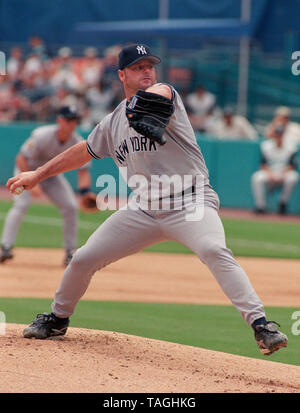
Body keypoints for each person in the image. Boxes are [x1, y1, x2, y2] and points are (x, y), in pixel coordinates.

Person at [7, 43, 288, 356]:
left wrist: (144, 103)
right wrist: (38, 174)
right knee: (83, 258)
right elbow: (83, 151)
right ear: (121, 74)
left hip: (190, 202)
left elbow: (164, 93)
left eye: (150, 66)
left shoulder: (166, 95)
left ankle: (262, 326)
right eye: (139, 67)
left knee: (213, 248)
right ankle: (58, 319)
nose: (147, 71)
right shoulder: (114, 122)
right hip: (144, 210)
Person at [1, 105, 92, 266]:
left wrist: (85, 193)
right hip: (26, 172)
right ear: (59, 120)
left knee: (70, 206)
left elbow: (83, 172)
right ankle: (5, 247)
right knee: (22, 204)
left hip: (50, 176)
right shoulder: (42, 135)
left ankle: (70, 252)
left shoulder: (77, 142)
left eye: (75, 121)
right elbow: (21, 159)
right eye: (69, 120)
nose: (72, 124)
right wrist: (33, 183)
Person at [251, 124, 299, 215]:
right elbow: (262, 164)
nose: (279, 136)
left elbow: (293, 166)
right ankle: (260, 206)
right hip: (270, 172)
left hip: (284, 173)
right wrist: (270, 174)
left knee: (293, 177)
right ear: (274, 135)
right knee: (257, 177)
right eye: (277, 134)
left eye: (280, 134)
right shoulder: (266, 146)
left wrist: (282, 175)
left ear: (283, 135)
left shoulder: (291, 147)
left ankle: (282, 203)